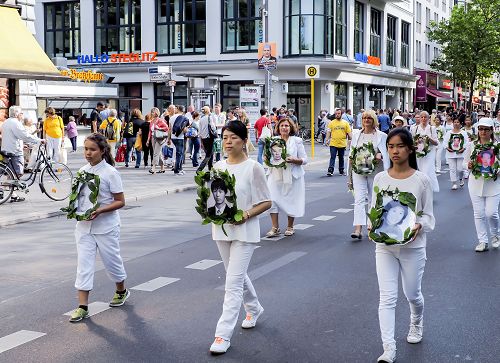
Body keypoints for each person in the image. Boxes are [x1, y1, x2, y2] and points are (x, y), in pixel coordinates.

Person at [371, 128, 435, 363]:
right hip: (385, 247)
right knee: (386, 298)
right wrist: (372, 225)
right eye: (390, 146)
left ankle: (416, 321)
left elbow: (428, 216)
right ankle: (389, 348)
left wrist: (418, 225)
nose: (394, 151)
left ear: (410, 149)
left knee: (412, 294)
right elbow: (374, 210)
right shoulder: (380, 178)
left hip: (413, 247)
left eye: (399, 146)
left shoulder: (421, 180)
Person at [209, 121, 271, 355]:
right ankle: (254, 308)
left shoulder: (253, 167)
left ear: (244, 141)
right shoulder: (218, 166)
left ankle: (222, 334)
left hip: (245, 231)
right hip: (221, 229)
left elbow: (266, 201)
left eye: (233, 137)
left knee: (232, 284)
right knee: (236, 275)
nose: (228, 142)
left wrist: (246, 214)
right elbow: (213, 198)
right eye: (225, 137)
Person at [68, 133, 129, 323]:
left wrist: (101, 210)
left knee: (112, 262)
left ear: (102, 151)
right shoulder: (82, 171)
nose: (88, 153)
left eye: (92, 149)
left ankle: (121, 290)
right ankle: (82, 306)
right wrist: (73, 208)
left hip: (106, 227)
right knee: (84, 266)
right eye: (85, 149)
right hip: (84, 227)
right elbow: (79, 198)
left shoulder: (110, 173)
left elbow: (120, 202)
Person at [348, 109, 390, 239]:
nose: (366, 120)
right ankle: (358, 228)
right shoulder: (356, 135)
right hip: (358, 170)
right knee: (359, 199)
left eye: (369, 118)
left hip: (375, 171)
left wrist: (381, 155)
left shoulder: (381, 136)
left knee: (374, 197)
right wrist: (349, 176)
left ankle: (371, 225)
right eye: (364, 118)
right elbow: (351, 154)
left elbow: (387, 153)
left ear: (374, 121)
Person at [462, 118, 500, 252]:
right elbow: (464, 162)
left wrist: (498, 169)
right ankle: (482, 241)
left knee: (491, 213)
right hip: (475, 183)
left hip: (493, 184)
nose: (483, 132)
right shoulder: (471, 145)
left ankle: (495, 235)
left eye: (486, 129)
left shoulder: (497, 146)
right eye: (481, 129)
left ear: (491, 131)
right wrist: (468, 165)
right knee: (478, 213)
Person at [265, 118, 307, 237]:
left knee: (291, 200)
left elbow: (305, 160)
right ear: (278, 127)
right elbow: (268, 157)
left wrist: (295, 160)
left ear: (291, 128)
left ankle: (290, 226)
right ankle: (275, 227)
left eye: (287, 126)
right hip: (275, 175)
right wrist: (266, 159)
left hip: (293, 176)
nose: (284, 128)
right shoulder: (273, 140)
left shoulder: (297, 141)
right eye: (282, 125)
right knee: (272, 199)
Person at [0, 106, 44, 202]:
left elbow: (12, 137)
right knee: (19, 172)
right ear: (17, 114)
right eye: (21, 113)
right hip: (14, 152)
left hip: (6, 150)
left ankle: (13, 195)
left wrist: (22, 144)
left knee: (10, 173)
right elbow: (25, 135)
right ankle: (4, 188)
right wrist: (39, 140)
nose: (22, 115)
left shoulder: (6, 122)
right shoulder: (16, 123)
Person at [410, 111, 440, 192]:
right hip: (419, 153)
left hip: (429, 153)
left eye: (425, 117)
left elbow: (436, 142)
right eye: (422, 117)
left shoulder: (432, 128)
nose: (423, 119)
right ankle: (422, 190)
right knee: (421, 171)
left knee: (428, 171)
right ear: (419, 118)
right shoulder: (414, 128)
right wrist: (416, 143)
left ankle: (429, 189)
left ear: (428, 118)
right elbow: (412, 142)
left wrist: (428, 138)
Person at [443, 117, 468, 190]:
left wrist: (463, 149)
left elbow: (466, 142)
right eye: (455, 122)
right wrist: (448, 148)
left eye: (458, 122)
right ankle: (454, 183)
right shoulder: (449, 133)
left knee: (460, 169)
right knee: (452, 169)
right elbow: (445, 142)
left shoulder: (463, 133)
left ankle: (461, 178)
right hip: (451, 154)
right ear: (453, 123)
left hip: (460, 154)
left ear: (460, 124)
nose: (456, 124)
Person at [325, 108, 352, 176]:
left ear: (341, 114)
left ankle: (341, 170)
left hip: (342, 143)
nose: (337, 115)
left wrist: (351, 140)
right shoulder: (331, 123)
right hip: (333, 143)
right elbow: (328, 132)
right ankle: (330, 170)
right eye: (336, 114)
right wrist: (327, 140)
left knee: (341, 157)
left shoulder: (345, 123)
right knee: (332, 156)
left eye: (338, 113)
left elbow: (349, 133)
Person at [168, 105, 189, 175]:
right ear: (183, 110)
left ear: (177, 110)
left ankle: (180, 168)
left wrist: (169, 138)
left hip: (173, 137)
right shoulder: (184, 118)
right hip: (180, 137)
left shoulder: (172, 117)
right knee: (179, 154)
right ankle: (177, 170)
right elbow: (185, 130)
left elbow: (170, 129)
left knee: (178, 153)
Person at [147, 107, 169, 174]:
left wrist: (159, 128)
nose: (152, 113)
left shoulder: (160, 120)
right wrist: (148, 140)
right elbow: (150, 131)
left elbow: (166, 128)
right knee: (158, 153)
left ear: (156, 113)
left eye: (153, 112)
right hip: (153, 138)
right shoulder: (151, 121)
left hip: (159, 138)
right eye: (151, 112)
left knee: (155, 153)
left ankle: (153, 167)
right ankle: (162, 167)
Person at [197, 106, 217, 172]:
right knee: (209, 154)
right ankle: (200, 169)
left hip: (204, 138)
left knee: (210, 153)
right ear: (208, 111)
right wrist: (215, 132)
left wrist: (201, 141)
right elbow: (213, 127)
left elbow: (199, 131)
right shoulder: (209, 118)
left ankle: (210, 168)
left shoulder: (201, 119)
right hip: (209, 138)